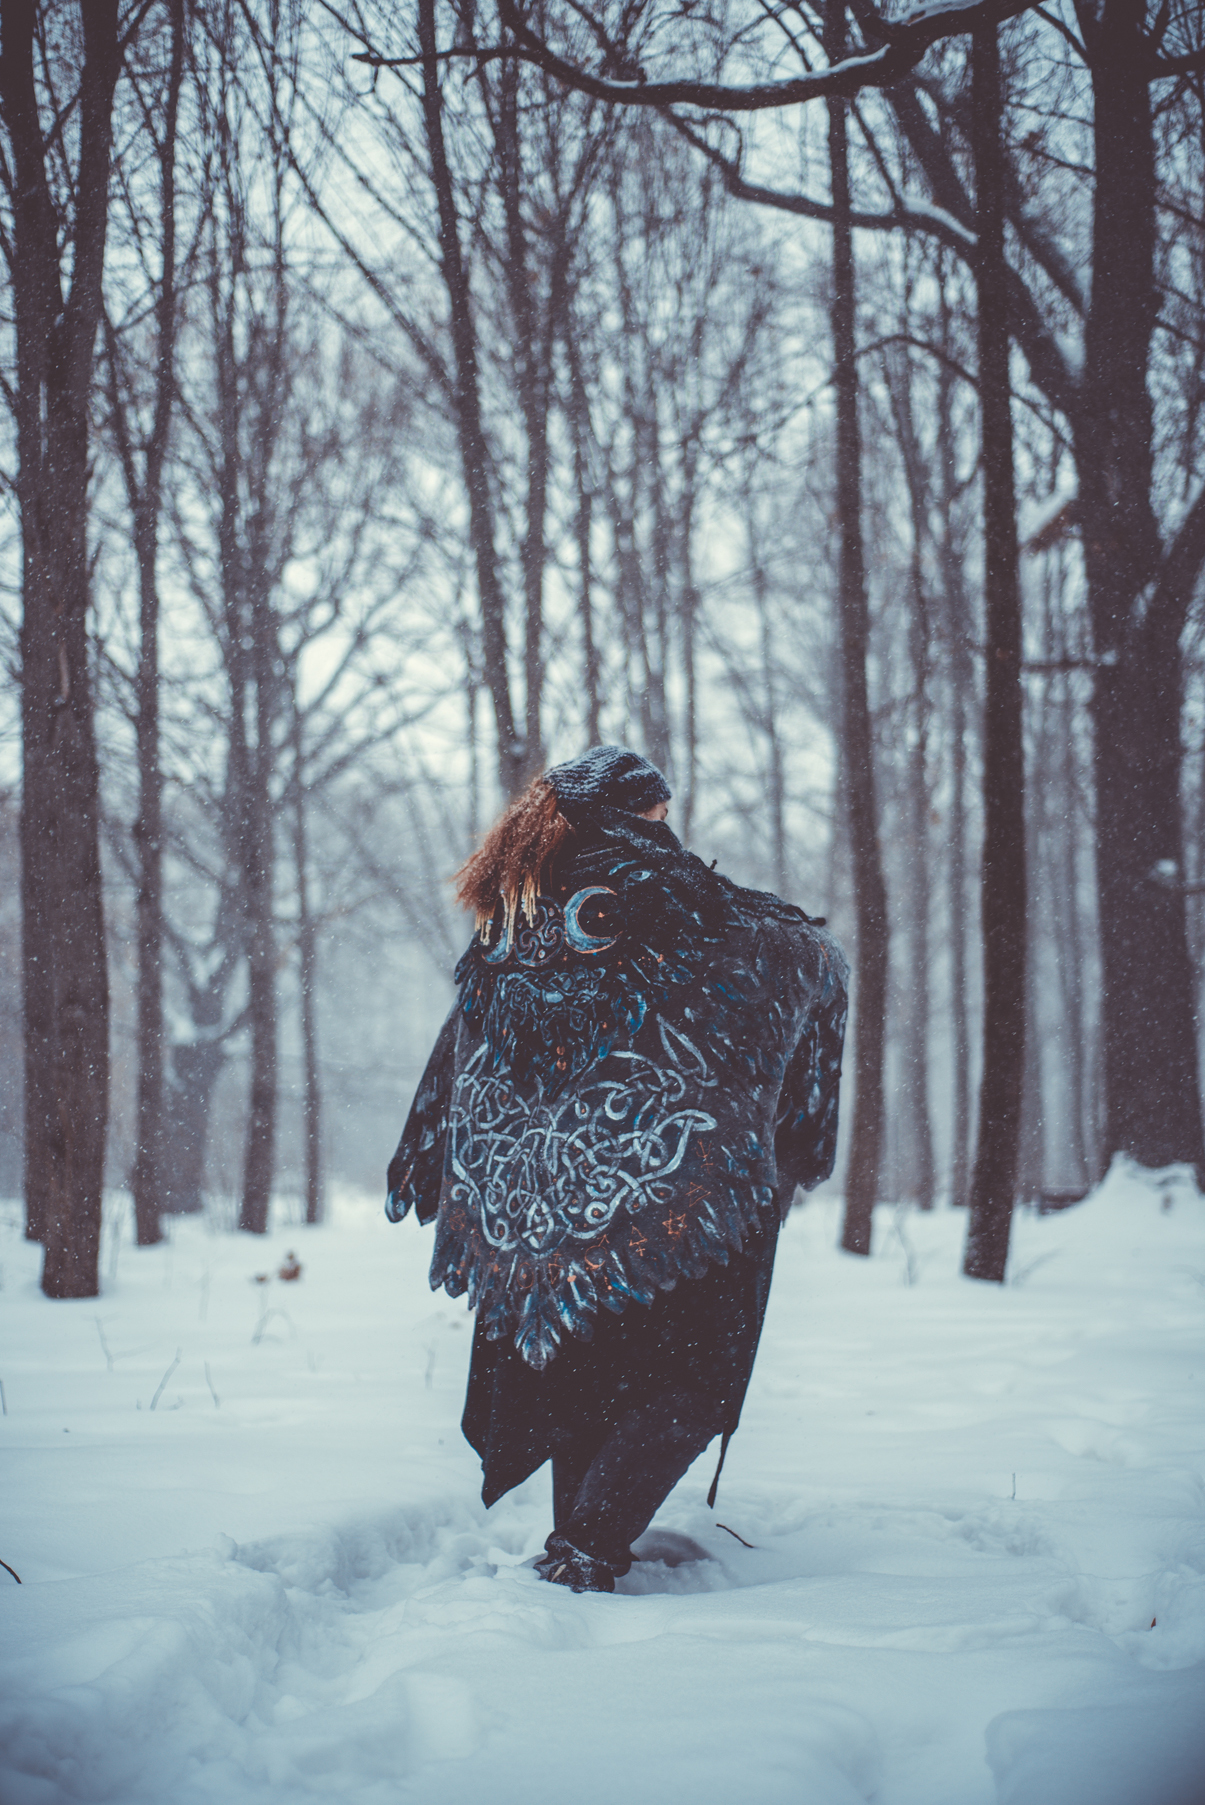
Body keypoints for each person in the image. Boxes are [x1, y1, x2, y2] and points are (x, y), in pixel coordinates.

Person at [386, 746, 847, 1592]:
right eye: (660, 816)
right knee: (690, 1377)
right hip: (678, 1203)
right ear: (646, 813)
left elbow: (462, 1051)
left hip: (532, 1207)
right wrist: (795, 1129)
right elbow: (782, 971)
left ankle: (577, 1539)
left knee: (579, 1368)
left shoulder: (509, 930)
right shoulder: (699, 909)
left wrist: (434, 1151)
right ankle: (588, 1549)